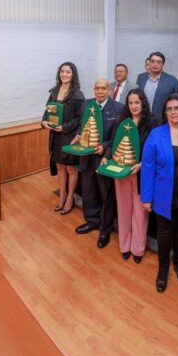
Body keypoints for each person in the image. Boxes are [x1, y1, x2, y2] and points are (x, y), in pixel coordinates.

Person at [141, 94, 178, 292]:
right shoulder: (156, 134)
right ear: (165, 112)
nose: (173, 112)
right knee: (164, 235)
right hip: (163, 196)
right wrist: (146, 197)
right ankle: (163, 268)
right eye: (169, 109)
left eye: (177, 108)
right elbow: (148, 168)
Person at [72, 79, 122, 249]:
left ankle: (105, 229)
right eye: (97, 88)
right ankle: (91, 220)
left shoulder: (118, 108)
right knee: (88, 191)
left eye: (103, 88)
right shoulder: (87, 104)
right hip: (86, 157)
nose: (100, 91)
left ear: (109, 90)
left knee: (105, 194)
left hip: (104, 159)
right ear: (94, 89)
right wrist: (78, 135)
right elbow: (82, 126)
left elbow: (117, 137)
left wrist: (105, 148)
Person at [104, 89, 153, 263]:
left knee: (140, 214)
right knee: (123, 210)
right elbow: (113, 142)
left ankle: (137, 249)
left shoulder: (152, 122)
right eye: (130, 103)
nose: (134, 106)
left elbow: (154, 148)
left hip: (141, 174)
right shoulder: (121, 120)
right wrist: (106, 156)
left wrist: (142, 164)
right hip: (121, 172)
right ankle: (124, 246)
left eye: (137, 102)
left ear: (143, 103)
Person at [42, 62, 85, 215]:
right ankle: (62, 196)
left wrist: (65, 127)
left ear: (73, 74)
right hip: (55, 136)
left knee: (70, 168)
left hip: (70, 136)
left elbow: (80, 119)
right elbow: (48, 110)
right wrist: (44, 121)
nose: (64, 74)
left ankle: (70, 198)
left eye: (68, 72)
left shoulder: (78, 95)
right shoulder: (54, 91)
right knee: (60, 167)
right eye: (62, 71)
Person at [136, 52, 178, 124]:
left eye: (158, 62)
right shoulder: (141, 78)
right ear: (149, 63)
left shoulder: (172, 81)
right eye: (153, 61)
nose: (155, 64)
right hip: (142, 121)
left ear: (163, 65)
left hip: (162, 122)